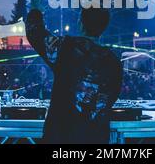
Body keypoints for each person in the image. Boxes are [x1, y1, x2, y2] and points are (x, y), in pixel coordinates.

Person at [25, 8, 123, 144]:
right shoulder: (114, 62)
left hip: (60, 136)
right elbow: (111, 98)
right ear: (103, 27)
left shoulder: (65, 48)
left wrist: (35, 12)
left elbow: (34, 32)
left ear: (80, 24)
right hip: (95, 137)